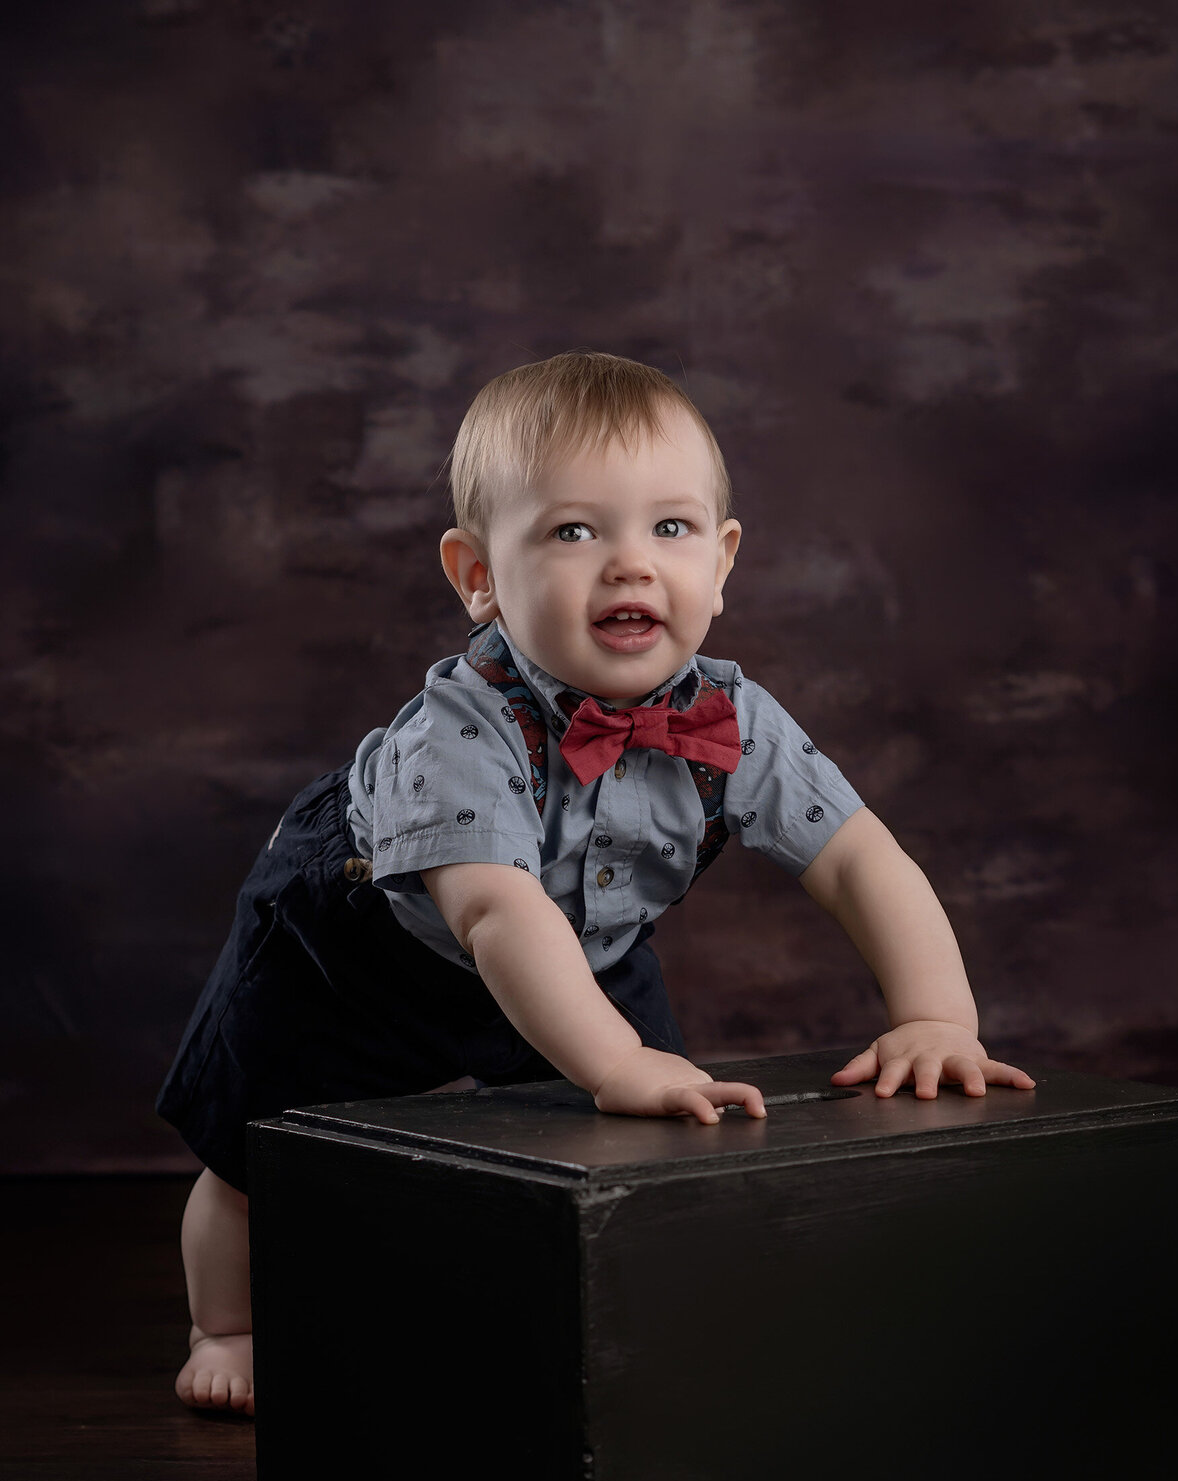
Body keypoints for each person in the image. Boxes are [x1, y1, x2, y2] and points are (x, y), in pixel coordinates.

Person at [159, 350, 1036, 1417]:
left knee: (660, 1132)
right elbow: (493, 909)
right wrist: (613, 1058)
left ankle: (629, 1322)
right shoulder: (458, 736)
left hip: (584, 955)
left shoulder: (734, 722)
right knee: (256, 1155)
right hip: (357, 950)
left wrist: (938, 1016)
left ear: (721, 563)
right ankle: (229, 1322)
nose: (629, 564)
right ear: (479, 576)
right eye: (574, 532)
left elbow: (862, 859)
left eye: (668, 530)